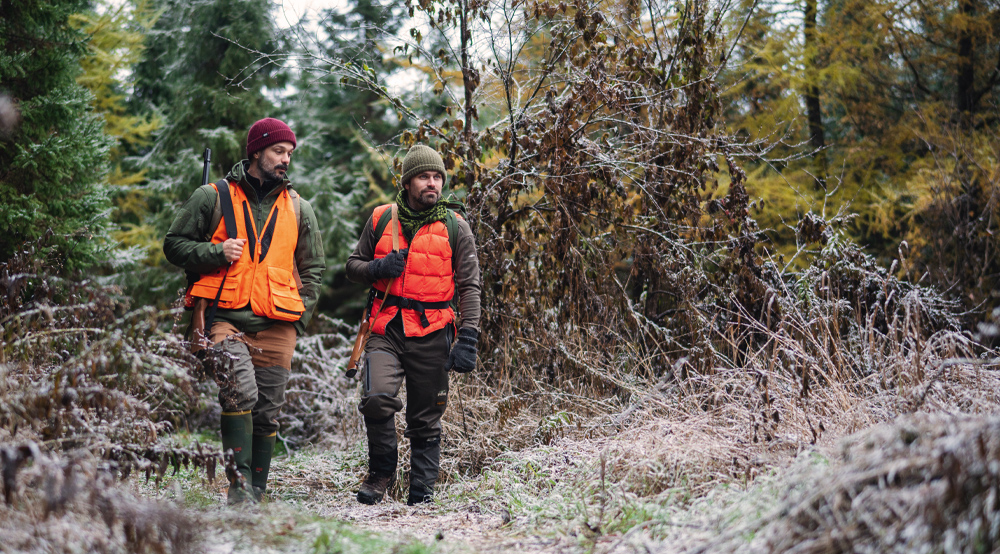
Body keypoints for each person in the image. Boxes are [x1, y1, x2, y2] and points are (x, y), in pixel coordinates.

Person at [163, 118, 326, 503]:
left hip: (278, 324)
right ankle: (238, 492)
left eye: (289, 153)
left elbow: (314, 268)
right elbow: (174, 245)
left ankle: (257, 492)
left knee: (268, 412)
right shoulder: (212, 196)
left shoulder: (300, 208)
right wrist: (215, 252)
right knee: (239, 392)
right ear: (256, 152)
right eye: (278, 151)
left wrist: (300, 318)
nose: (286, 159)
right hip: (223, 318)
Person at [345, 143, 482, 506]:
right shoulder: (380, 218)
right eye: (424, 176)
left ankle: (422, 492)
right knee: (376, 399)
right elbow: (352, 266)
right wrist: (377, 268)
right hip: (385, 326)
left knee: (426, 416)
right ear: (407, 182)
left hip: (434, 329)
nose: (432, 183)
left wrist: (468, 337)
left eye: (437, 177)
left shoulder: (456, 226)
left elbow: (470, 286)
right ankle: (380, 475)